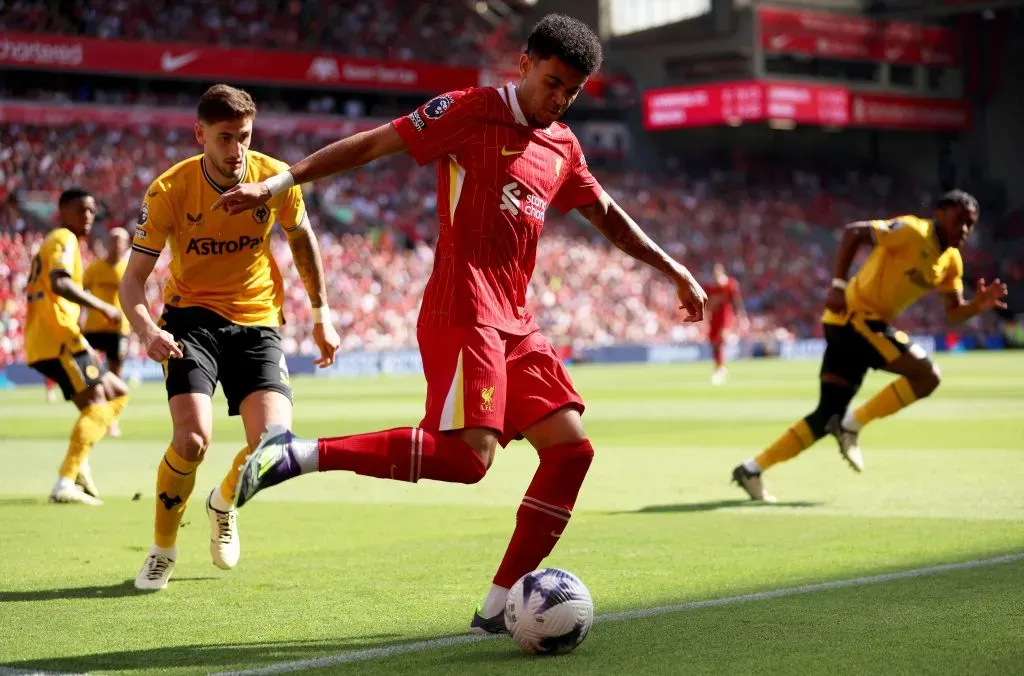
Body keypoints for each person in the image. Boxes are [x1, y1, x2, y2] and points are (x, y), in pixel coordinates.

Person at [212, 14, 707, 632]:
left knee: (571, 451)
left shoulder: (563, 145)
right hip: (462, 303)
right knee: (472, 459)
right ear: (524, 63)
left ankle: (498, 610)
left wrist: (673, 267)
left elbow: (604, 213)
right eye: (552, 83)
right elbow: (371, 143)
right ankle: (294, 456)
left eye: (572, 92)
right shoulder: (467, 111)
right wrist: (279, 181)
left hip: (517, 321)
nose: (559, 99)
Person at [120, 84, 341, 591]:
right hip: (190, 318)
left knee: (273, 444)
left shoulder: (274, 178)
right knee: (192, 439)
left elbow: (302, 237)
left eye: (243, 137)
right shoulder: (169, 191)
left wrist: (321, 312)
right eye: (224, 138)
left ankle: (223, 503)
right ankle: (162, 550)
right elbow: (132, 281)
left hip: (258, 318)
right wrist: (148, 329)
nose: (236, 151)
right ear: (200, 135)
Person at [732, 191, 1007, 501]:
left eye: (971, 225)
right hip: (853, 319)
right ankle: (851, 425)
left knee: (827, 414)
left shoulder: (951, 262)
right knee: (927, 376)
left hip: (857, 327)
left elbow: (954, 312)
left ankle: (752, 469)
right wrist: (837, 285)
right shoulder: (911, 231)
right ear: (941, 213)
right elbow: (853, 232)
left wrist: (978, 305)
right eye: (960, 221)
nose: (965, 230)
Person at [24, 188, 130, 504]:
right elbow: (60, 282)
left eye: (92, 210)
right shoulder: (63, 238)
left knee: (116, 392)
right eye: (82, 209)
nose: (88, 217)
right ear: (63, 210)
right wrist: (104, 307)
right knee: (99, 400)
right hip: (58, 335)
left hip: (56, 335)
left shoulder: (64, 243)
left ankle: (79, 463)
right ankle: (66, 479)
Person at [83, 227, 132, 437]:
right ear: (107, 242)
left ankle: (112, 421)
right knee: (86, 370)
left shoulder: (129, 271)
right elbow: (80, 293)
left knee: (116, 373)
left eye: (121, 241)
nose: (117, 244)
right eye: (114, 240)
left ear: (127, 244)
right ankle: (92, 411)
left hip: (119, 329)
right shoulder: (94, 268)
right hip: (93, 328)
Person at [705, 263, 746, 385]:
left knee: (721, 339)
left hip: (726, 317)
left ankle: (721, 368)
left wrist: (742, 315)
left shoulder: (729, 284)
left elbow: (737, 300)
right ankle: (719, 367)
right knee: (714, 343)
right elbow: (707, 304)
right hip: (714, 318)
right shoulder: (709, 287)